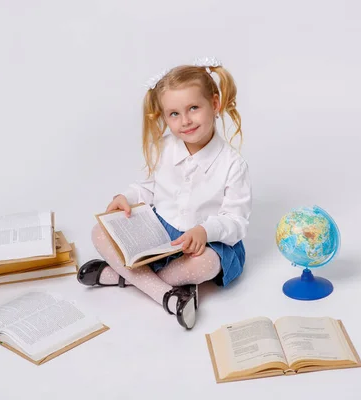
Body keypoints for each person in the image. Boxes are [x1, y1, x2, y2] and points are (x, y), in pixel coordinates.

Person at [77, 57, 252, 330]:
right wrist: (126, 198)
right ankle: (168, 295)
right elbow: (148, 187)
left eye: (194, 108)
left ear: (215, 104)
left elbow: (236, 221)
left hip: (202, 241)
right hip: (161, 230)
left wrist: (205, 232)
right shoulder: (165, 147)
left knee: (207, 264)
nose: (185, 121)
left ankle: (120, 276)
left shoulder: (232, 164)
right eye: (174, 114)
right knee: (98, 233)